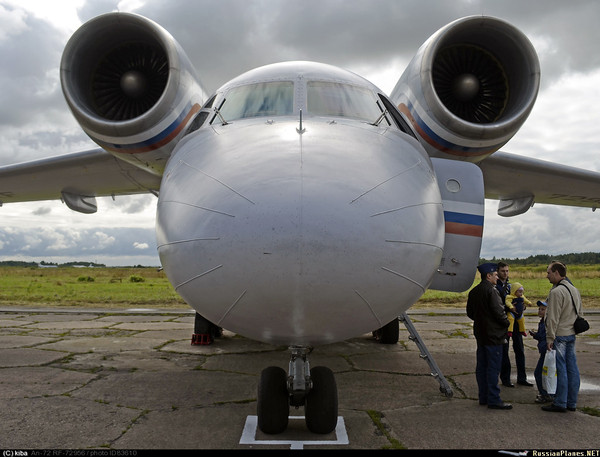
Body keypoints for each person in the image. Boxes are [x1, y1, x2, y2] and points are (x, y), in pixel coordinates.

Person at [466, 262, 512, 410]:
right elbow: (499, 312)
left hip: (481, 334)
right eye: (496, 275)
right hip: (494, 335)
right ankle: (494, 399)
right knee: (493, 368)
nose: (497, 278)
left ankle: (483, 397)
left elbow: (470, 313)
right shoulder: (492, 291)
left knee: (482, 367)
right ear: (489, 276)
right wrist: (506, 323)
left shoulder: (474, 292)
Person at [542, 261, 582, 412]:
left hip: (560, 335)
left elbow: (552, 318)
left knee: (561, 369)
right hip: (571, 333)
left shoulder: (556, 292)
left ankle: (560, 402)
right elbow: (580, 312)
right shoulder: (574, 289)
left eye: (549, 273)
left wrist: (549, 338)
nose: (547, 276)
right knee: (572, 368)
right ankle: (572, 402)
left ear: (557, 273)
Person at [497, 263, 532, 387]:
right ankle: (505, 379)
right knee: (505, 351)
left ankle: (522, 378)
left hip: (516, 321)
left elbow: (521, 298)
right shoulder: (496, 287)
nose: (505, 273)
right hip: (504, 321)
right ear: (498, 272)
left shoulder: (512, 286)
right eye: (502, 271)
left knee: (519, 349)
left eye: (507, 271)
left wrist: (522, 306)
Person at [530, 300, 553, 403]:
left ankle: (545, 394)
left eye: (543, 309)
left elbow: (543, 337)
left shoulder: (546, 323)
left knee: (539, 373)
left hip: (546, 351)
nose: (540, 311)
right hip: (544, 350)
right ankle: (548, 393)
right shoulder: (543, 322)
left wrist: (535, 335)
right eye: (539, 309)